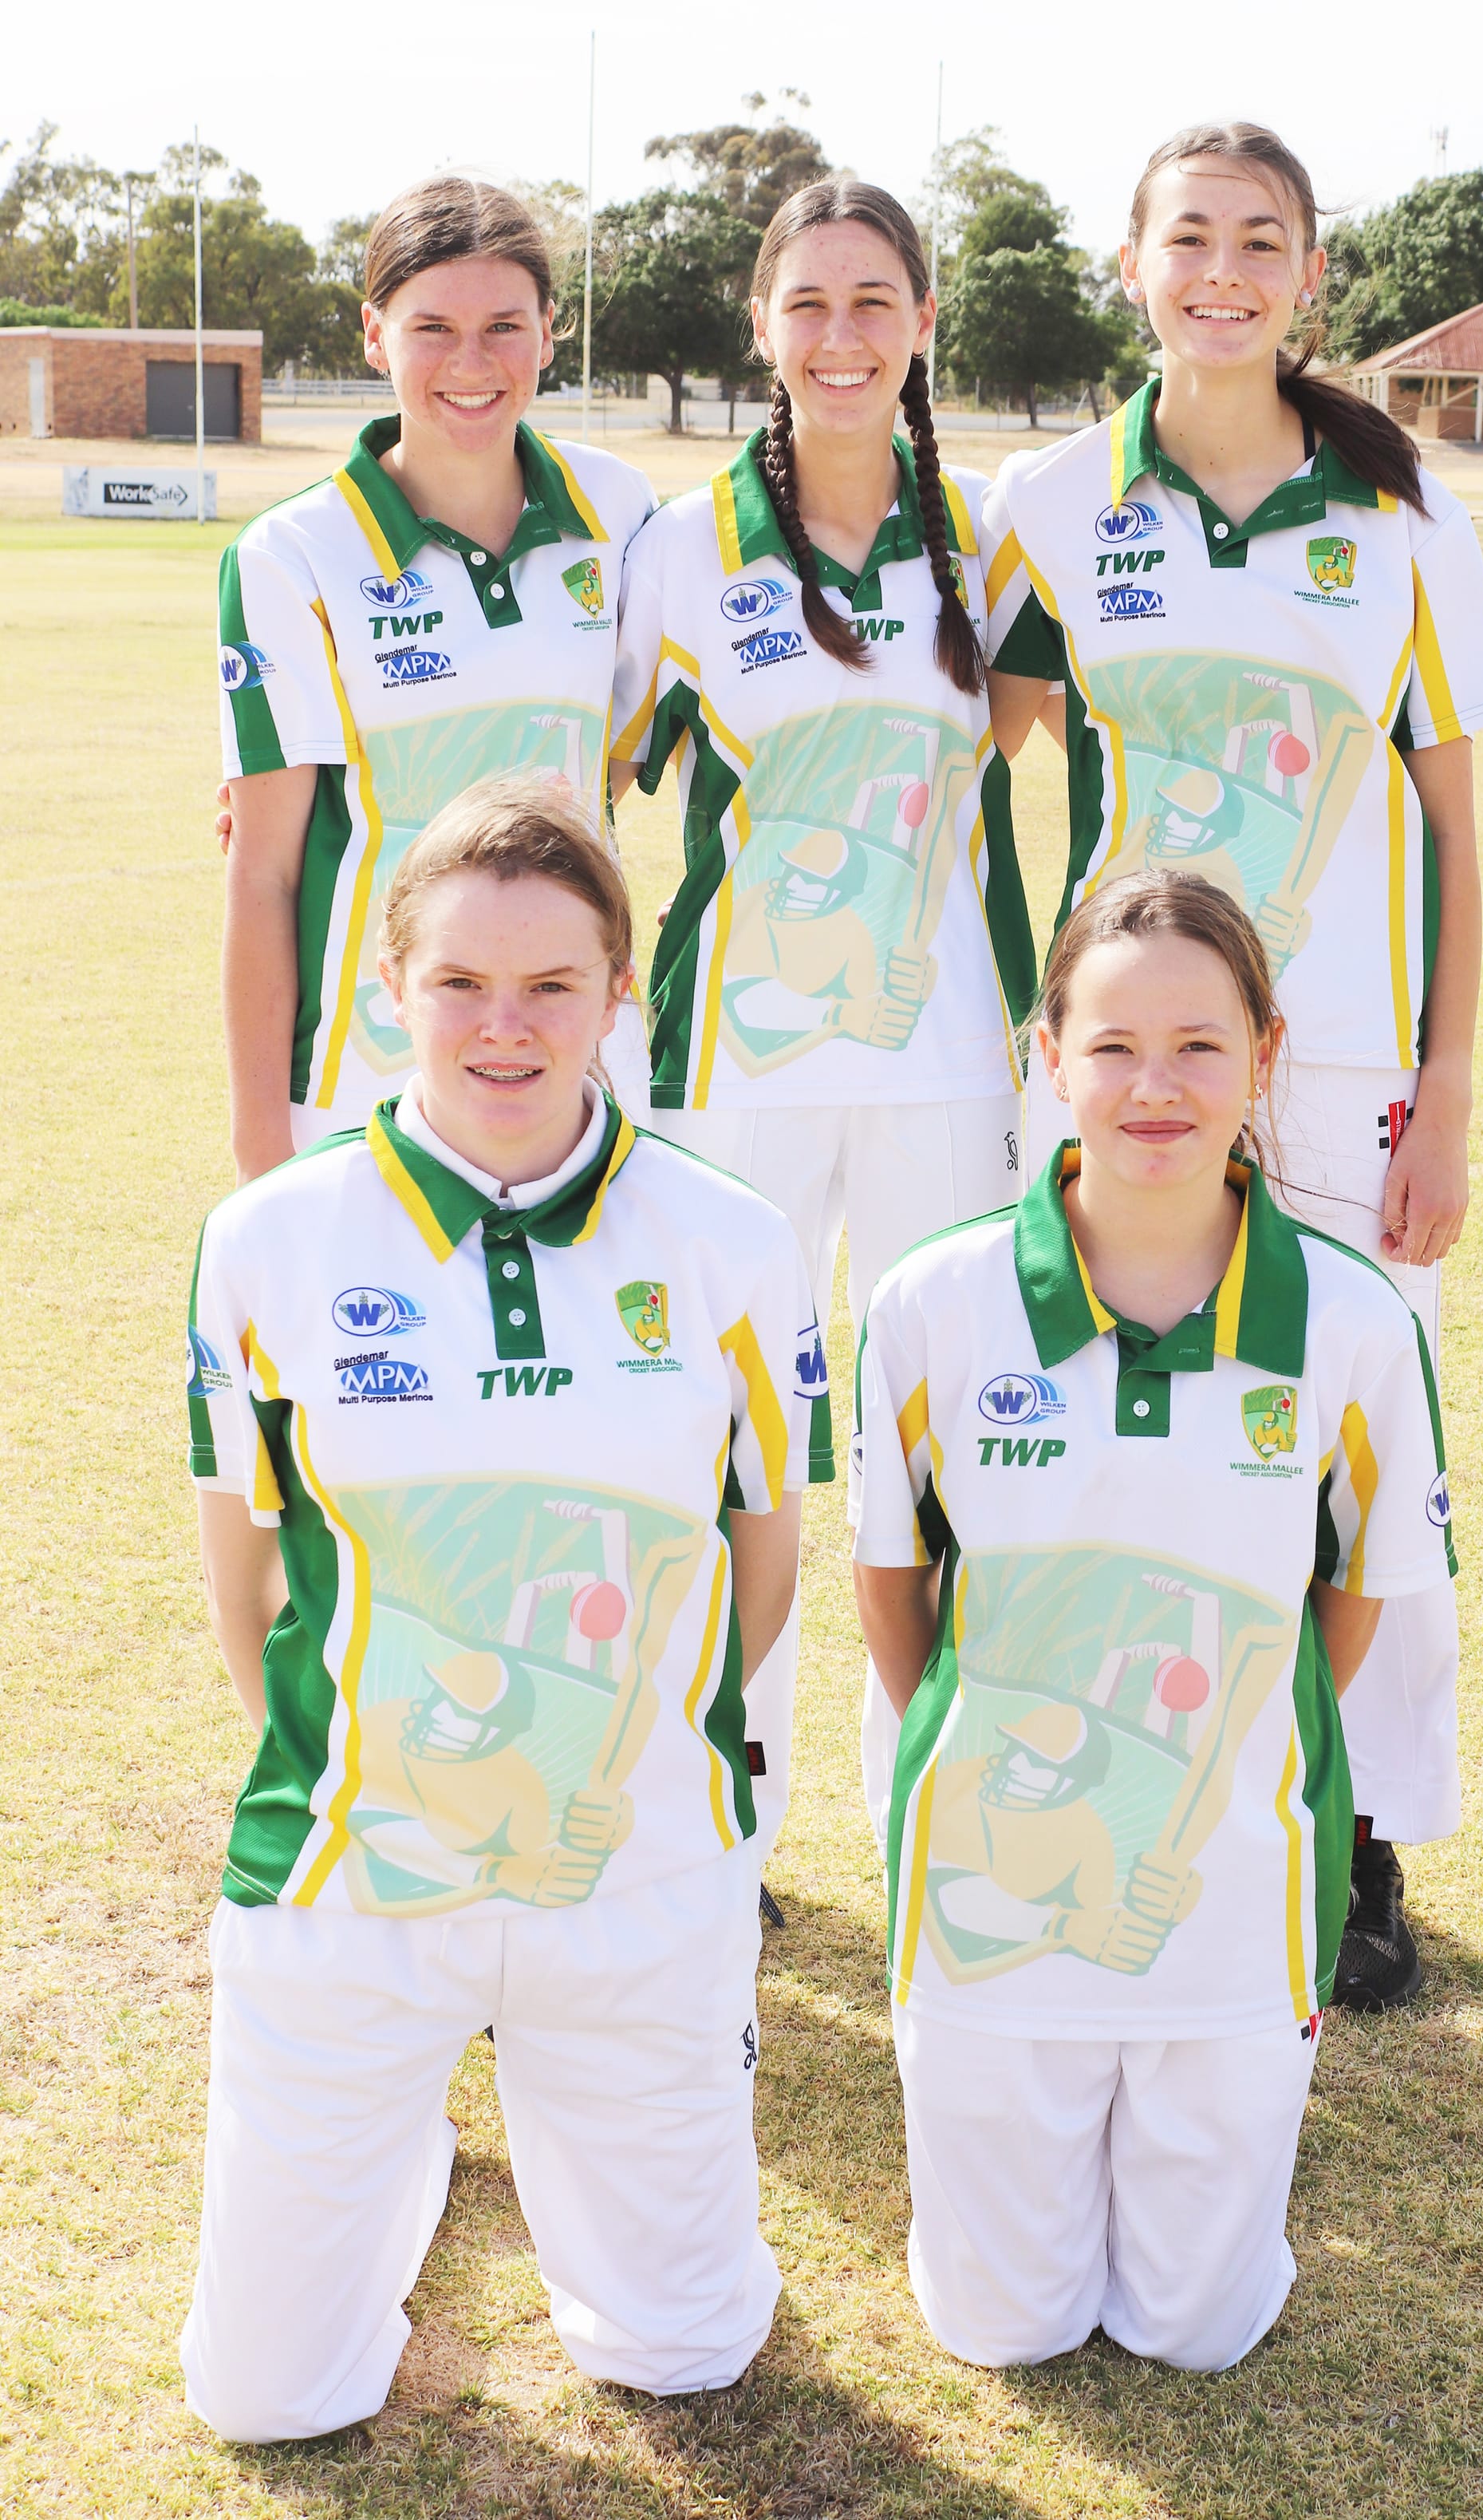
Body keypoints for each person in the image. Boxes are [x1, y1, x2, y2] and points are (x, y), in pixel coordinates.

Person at [181, 778, 830, 2439]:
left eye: (553, 984)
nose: (505, 1025)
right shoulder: (269, 1242)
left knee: (680, 2352)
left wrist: (616, 1770)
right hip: (353, 1871)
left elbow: (760, 1563)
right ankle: (378, 2159)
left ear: (626, 992)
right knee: (265, 2401)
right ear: (390, 986)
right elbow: (243, 1573)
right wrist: (395, 1778)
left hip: (639, 1869)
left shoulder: (734, 1244)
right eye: (460, 981)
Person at [980, 122, 1483, 2007]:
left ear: (1308, 275)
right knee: (1126, 1436)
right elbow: (934, 735)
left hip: (1344, 1064)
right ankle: (1145, 1808)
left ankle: (1358, 1842)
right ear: (1131, 263)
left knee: (1358, 1451)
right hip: (1127, 1061)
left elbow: (1456, 831)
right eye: (1186, 237)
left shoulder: (1400, 511)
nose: (1220, 271)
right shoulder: (1045, 504)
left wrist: (1442, 1092)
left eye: (1258, 243)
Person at [850, 870, 1455, 2372]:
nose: (1155, 1086)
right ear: (1046, 1052)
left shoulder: (1357, 1322)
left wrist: (1238, 1755)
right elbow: (889, 1581)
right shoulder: (933, 1304)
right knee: (1008, 2327)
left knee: (1196, 2328)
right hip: (994, 1889)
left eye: (1200, 1042)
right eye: (1113, 1045)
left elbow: (1348, 1602)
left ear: (1268, 1049)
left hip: (1237, 1890)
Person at [609, 177, 1035, 1843]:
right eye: (809, 304)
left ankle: (933, 1809)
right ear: (763, 326)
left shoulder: (991, 526)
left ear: (924, 322)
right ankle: (732, 1813)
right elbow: (584, 775)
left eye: (875, 302)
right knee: (734, 1444)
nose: (842, 336)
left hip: (944, 1058)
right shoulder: (680, 544)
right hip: (734, 1069)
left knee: (944, 1438)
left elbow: (1038, 734)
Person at [217, 174, 653, 1183]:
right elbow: (263, 871)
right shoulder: (292, 554)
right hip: (366, 1070)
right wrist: (258, 1144)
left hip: (577, 1057)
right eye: (432, 328)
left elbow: (624, 749)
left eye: (505, 325)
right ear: (374, 335)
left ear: (551, 331)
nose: (471, 362)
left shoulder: (619, 505)